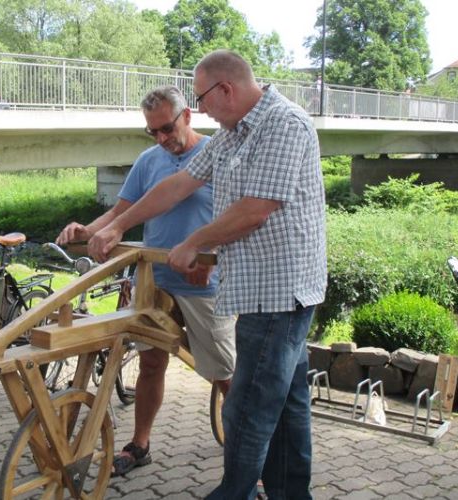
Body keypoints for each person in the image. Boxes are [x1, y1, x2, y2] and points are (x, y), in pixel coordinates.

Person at [88, 49, 327, 500]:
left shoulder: (284, 125)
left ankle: (233, 493)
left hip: (280, 295)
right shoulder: (233, 135)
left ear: (227, 89)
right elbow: (177, 185)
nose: (201, 111)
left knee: (246, 409)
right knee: (288, 409)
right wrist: (118, 224)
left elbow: (256, 209)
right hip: (259, 292)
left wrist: (194, 242)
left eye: (202, 99)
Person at [56, 85, 236, 478]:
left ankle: (246, 457)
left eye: (167, 129)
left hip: (206, 283)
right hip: (155, 279)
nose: (161, 139)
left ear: (187, 115)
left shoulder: (220, 155)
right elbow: (123, 213)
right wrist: (87, 231)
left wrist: (212, 252)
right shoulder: (148, 161)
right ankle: (140, 444)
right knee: (151, 363)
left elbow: (238, 216)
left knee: (224, 373)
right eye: (152, 132)